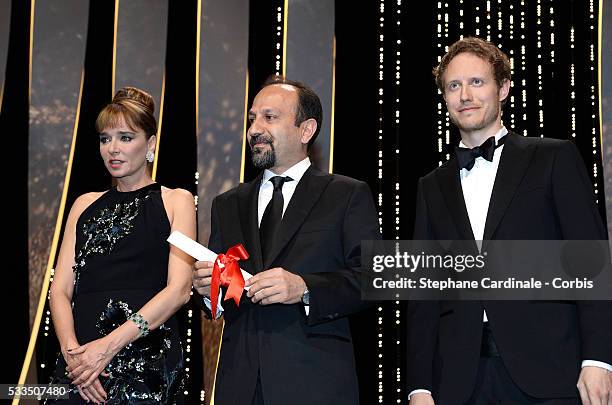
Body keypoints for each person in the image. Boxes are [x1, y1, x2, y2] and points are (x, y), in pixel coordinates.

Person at [406, 37, 612, 405]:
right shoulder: (430, 186)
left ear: (503, 88)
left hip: (550, 371)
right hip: (459, 380)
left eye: (477, 82)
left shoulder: (553, 157)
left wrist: (598, 359)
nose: (465, 95)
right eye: (454, 86)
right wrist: (420, 386)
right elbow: (424, 295)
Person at [192, 76, 380, 405]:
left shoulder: (347, 194)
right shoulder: (227, 204)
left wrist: (303, 287)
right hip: (241, 384)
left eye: (270, 117)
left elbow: (374, 277)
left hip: (315, 384)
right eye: (252, 118)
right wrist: (212, 291)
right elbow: (225, 297)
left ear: (306, 130)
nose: (254, 129)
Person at [47, 87, 195, 404]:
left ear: (150, 144)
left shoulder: (176, 201)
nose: (112, 148)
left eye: (126, 138)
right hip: (80, 364)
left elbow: (179, 289)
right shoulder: (83, 204)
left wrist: (108, 346)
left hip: (146, 363)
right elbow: (59, 289)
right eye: (105, 138)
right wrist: (75, 357)